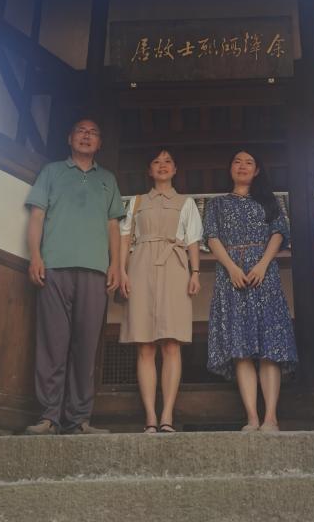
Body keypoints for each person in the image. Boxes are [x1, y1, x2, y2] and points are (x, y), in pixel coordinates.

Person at [24, 118, 124, 435]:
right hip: (54, 266)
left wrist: (116, 265)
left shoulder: (107, 179)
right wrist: (35, 255)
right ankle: (49, 417)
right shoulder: (52, 172)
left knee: (86, 346)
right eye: (81, 131)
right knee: (52, 344)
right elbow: (37, 215)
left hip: (95, 271)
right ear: (70, 138)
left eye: (93, 133)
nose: (86, 136)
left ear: (100, 143)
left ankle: (79, 419)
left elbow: (113, 226)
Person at [203, 150, 298, 432]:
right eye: (237, 161)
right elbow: (212, 237)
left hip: (263, 275)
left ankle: (271, 418)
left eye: (249, 163)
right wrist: (232, 268)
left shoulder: (269, 201)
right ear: (230, 168)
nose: (242, 166)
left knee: (270, 347)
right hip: (231, 277)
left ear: (257, 171)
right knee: (240, 349)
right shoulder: (217, 204)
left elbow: (279, 233)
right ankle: (252, 418)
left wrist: (263, 264)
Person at [119, 148, 202, 433]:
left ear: (175, 169)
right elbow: (125, 237)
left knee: (171, 343)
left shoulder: (186, 202)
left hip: (175, 267)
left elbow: (193, 240)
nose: (162, 165)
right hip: (140, 266)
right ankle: (150, 417)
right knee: (144, 344)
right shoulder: (137, 202)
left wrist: (195, 272)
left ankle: (166, 415)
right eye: (156, 161)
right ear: (149, 170)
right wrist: (122, 271)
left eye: (168, 161)